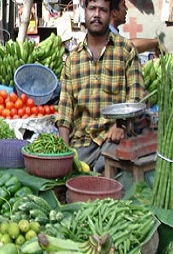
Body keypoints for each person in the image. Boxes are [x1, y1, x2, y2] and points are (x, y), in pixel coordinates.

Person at [56, 0, 145, 172]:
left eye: (102, 10)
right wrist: (64, 151)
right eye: (92, 9)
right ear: (85, 12)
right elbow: (65, 110)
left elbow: (136, 97)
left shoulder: (125, 50)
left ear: (111, 13)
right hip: (82, 143)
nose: (97, 14)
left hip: (114, 139)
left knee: (107, 182)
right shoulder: (73, 59)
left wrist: (122, 125)